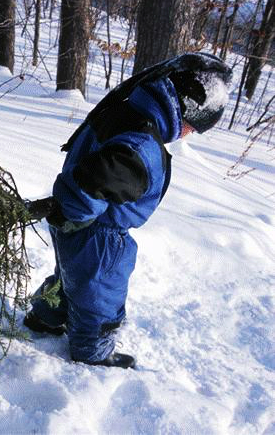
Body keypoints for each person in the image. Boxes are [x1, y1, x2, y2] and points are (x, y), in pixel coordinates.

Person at [24, 53, 233, 369]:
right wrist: (71, 210)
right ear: (184, 107)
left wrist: (67, 213)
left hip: (77, 221)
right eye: (192, 127)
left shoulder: (127, 107)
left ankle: (46, 317)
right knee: (99, 293)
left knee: (71, 274)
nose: (188, 134)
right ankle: (92, 351)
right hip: (98, 231)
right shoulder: (141, 147)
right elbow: (94, 183)